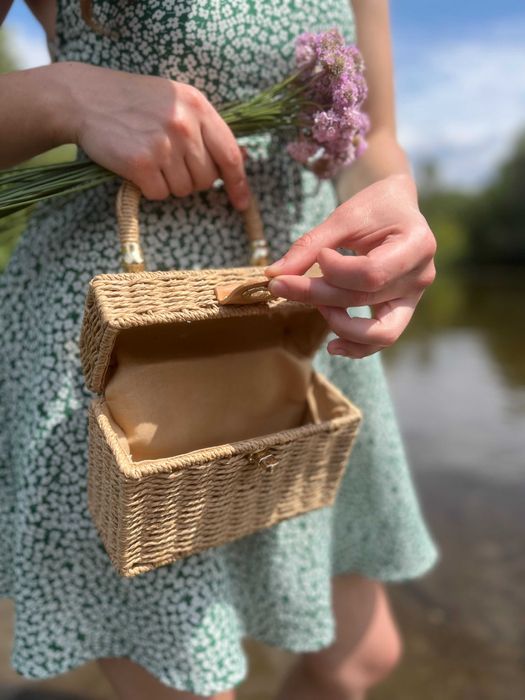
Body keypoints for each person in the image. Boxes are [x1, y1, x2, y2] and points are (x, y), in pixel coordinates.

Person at [0, 1, 438, 698]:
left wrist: (397, 210)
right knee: (193, 682)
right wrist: (66, 98)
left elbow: (373, 136)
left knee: (359, 658)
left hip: (291, 323)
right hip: (130, 348)